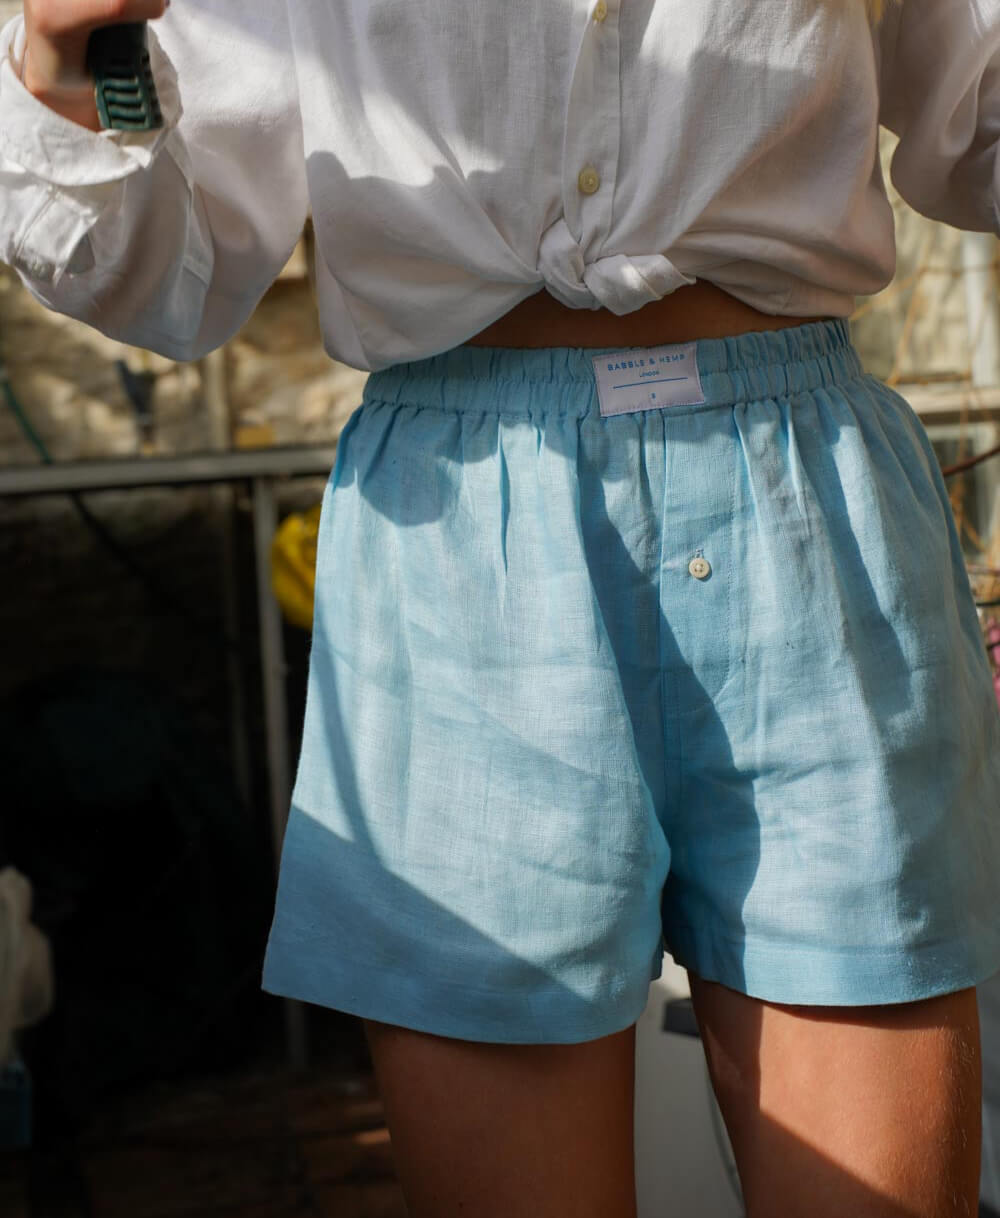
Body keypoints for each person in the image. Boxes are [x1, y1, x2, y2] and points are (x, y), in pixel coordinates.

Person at [2, 1, 999, 1214]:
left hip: (808, 516)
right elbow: (173, 274)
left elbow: (974, 124)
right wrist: (62, 67)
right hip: (465, 549)